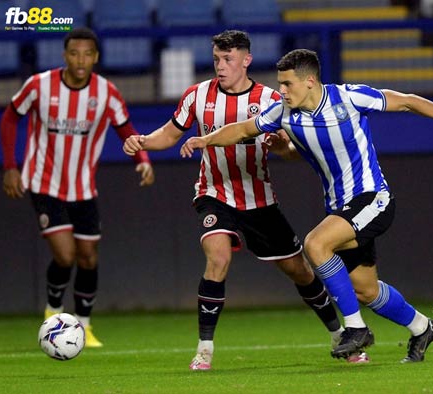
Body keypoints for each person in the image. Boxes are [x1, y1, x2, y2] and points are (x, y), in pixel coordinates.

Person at [180, 48, 433, 363]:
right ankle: (422, 327)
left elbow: (408, 101)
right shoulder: (283, 114)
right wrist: (205, 140)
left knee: (316, 244)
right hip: (342, 208)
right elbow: (242, 130)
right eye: (280, 84)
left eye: (287, 84)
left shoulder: (349, 97)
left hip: (373, 198)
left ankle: (356, 329)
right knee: (366, 290)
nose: (281, 91)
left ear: (309, 82)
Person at [122, 31, 353, 370]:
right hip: (213, 194)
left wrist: (282, 148)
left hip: (259, 199)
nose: (220, 66)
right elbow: (169, 134)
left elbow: (292, 152)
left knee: (300, 271)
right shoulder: (197, 95)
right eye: (216, 58)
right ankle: (204, 349)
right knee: (216, 257)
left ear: (246, 60)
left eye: (228, 59)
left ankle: (339, 335)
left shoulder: (273, 98)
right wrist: (141, 141)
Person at [0, 27, 155, 348]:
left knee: (88, 258)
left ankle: (83, 327)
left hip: (83, 187)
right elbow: (10, 117)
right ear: (64, 55)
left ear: (96, 57)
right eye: (74, 53)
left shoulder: (107, 93)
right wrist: (11, 167)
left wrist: (142, 158)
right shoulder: (40, 85)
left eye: (87, 54)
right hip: (43, 182)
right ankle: (53, 312)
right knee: (65, 254)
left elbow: (124, 126)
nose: (81, 60)